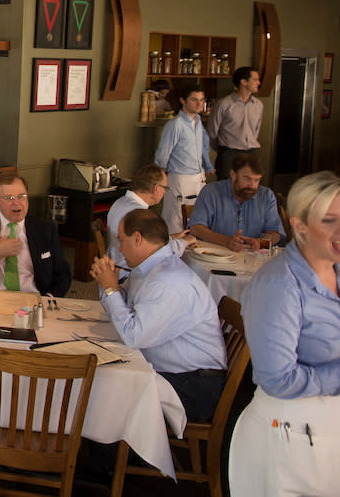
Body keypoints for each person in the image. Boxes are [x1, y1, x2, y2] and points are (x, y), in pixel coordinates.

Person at [228, 171, 340, 497]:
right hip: (289, 436)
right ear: (300, 225)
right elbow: (277, 378)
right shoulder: (278, 286)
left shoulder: (335, 269)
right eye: (329, 220)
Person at [89, 209, 227, 422]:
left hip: (194, 385)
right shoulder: (150, 268)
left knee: (102, 392)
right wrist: (109, 283)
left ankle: (114, 443)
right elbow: (123, 307)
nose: (120, 248)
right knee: (98, 377)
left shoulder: (168, 281)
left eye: (122, 240)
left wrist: (110, 289)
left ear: (137, 239)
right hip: (176, 373)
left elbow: (133, 336)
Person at [0, 173, 71, 296]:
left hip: (34, 297)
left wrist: (48, 298)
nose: (16, 203)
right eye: (9, 198)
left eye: (21, 196)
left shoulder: (45, 229)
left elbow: (63, 273)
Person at [187, 152, 283, 251]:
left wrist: (261, 243)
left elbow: (276, 233)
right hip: (215, 254)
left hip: (252, 256)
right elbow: (196, 228)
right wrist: (226, 241)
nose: (252, 185)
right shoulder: (211, 192)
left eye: (257, 180)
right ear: (233, 174)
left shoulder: (266, 196)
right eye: (247, 179)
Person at [153, 84, 214, 235]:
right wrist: (161, 177)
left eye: (202, 100)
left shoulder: (198, 122)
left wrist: (208, 166)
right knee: (175, 219)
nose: (199, 104)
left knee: (197, 218)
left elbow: (203, 146)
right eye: (194, 100)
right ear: (183, 100)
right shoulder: (175, 124)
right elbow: (163, 154)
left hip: (198, 177)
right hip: (179, 178)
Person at [104, 164, 188, 268]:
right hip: (129, 271)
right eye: (165, 188)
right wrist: (185, 242)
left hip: (115, 263)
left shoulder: (120, 202)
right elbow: (160, 251)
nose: (164, 192)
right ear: (156, 188)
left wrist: (172, 237)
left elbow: (144, 240)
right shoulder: (139, 214)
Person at [207, 66, 262, 180]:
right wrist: (224, 150)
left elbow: (256, 131)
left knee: (250, 187)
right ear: (243, 82)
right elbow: (212, 133)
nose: (259, 83)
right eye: (255, 80)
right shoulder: (224, 104)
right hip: (229, 153)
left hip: (252, 153)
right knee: (225, 186)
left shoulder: (258, 105)